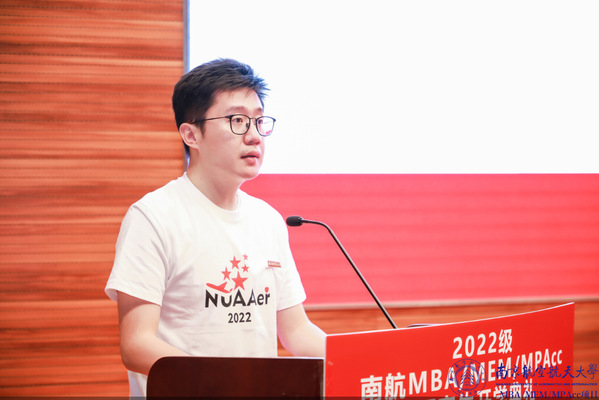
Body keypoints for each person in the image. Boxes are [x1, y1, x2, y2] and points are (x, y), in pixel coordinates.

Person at [105, 58, 326, 397]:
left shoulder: (267, 219)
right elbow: (136, 344)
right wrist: (227, 383)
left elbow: (297, 333)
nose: (254, 136)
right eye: (237, 120)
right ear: (191, 134)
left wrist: (368, 360)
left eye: (258, 121)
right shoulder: (153, 217)